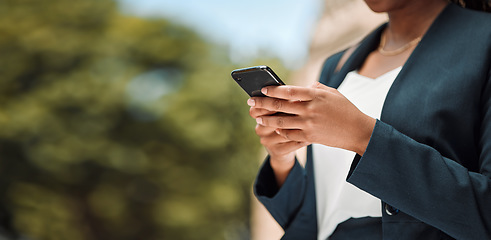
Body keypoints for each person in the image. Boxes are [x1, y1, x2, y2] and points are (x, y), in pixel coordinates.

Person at [247, 0, 491, 239]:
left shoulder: (482, 40)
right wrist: (282, 159)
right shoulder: (337, 65)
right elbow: (318, 220)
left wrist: (363, 136)